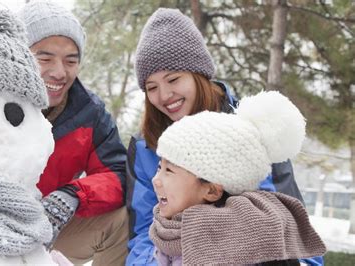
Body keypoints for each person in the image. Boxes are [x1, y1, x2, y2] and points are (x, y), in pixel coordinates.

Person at [126, 8, 323, 265]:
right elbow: (142, 232)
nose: (164, 96)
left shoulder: (249, 132)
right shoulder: (145, 146)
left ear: (199, 75)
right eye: (151, 87)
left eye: (173, 79)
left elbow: (285, 223)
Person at [149, 90, 326, 265]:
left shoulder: (240, 253)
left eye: (169, 171)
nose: (155, 180)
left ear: (211, 190)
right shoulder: (169, 233)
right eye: (159, 167)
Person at [18, 1, 128, 265]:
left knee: (123, 218)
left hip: (49, 231)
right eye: (44, 59)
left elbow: (118, 173)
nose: (59, 72)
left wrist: (74, 195)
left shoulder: (90, 113)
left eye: (70, 60)